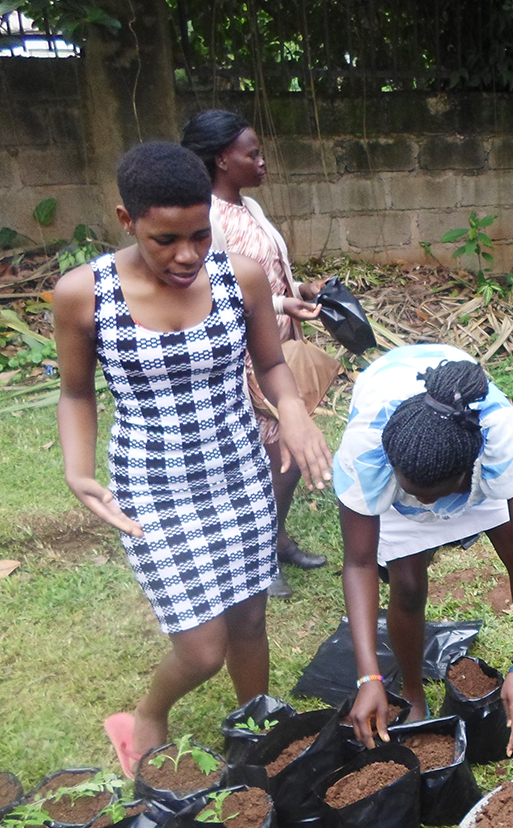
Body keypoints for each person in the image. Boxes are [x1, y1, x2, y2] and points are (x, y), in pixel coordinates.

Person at [54, 142, 333, 775]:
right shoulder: (83, 295)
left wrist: (291, 410)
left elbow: (269, 363)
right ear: (128, 222)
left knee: (251, 616)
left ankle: (256, 724)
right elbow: (75, 393)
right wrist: (78, 472)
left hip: (237, 470)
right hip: (152, 487)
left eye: (200, 234)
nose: (187, 254)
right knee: (204, 646)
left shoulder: (243, 277)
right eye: (165, 239)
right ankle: (148, 715)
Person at [334, 344, 513, 759]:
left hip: (461, 453)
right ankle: (413, 693)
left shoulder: (499, 439)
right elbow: (360, 563)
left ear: (467, 471)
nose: (424, 507)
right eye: (412, 493)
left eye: (429, 497)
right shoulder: (367, 450)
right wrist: (368, 676)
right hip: (410, 452)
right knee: (406, 586)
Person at [182, 109, 332, 600]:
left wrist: (301, 288)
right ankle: (257, 556)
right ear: (223, 159)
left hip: (277, 347)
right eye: (253, 153)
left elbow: (266, 269)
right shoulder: (204, 219)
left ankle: (275, 539)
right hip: (246, 358)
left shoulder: (248, 208)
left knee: (283, 455)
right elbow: (209, 291)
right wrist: (278, 303)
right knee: (279, 456)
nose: (263, 161)